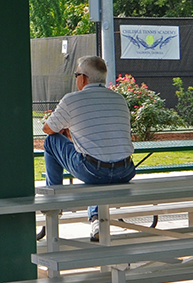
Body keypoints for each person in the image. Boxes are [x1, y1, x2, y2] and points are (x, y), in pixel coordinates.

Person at [41, 55, 135, 240]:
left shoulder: (72, 100)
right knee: (97, 163)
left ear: (83, 78)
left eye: (76, 74)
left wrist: (67, 129)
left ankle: (54, 200)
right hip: (125, 171)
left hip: (93, 171)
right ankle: (95, 219)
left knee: (51, 142)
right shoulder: (119, 99)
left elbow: (48, 129)